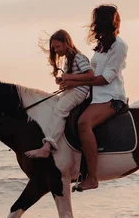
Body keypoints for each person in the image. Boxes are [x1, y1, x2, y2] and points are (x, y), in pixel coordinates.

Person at [60, 4, 128, 191]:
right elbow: (90, 75)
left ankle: (92, 177)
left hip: (111, 97)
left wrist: (73, 81)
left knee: (83, 123)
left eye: (97, 21)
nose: (93, 25)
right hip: (94, 96)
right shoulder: (100, 46)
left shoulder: (119, 46)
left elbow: (106, 78)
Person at [25, 29, 93, 159]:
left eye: (57, 47)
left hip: (79, 92)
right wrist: (63, 80)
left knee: (60, 110)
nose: (56, 50)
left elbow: (90, 75)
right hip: (72, 90)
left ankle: (47, 146)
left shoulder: (79, 57)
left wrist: (69, 77)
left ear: (66, 43)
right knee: (53, 105)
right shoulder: (68, 60)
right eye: (54, 48)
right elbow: (75, 77)